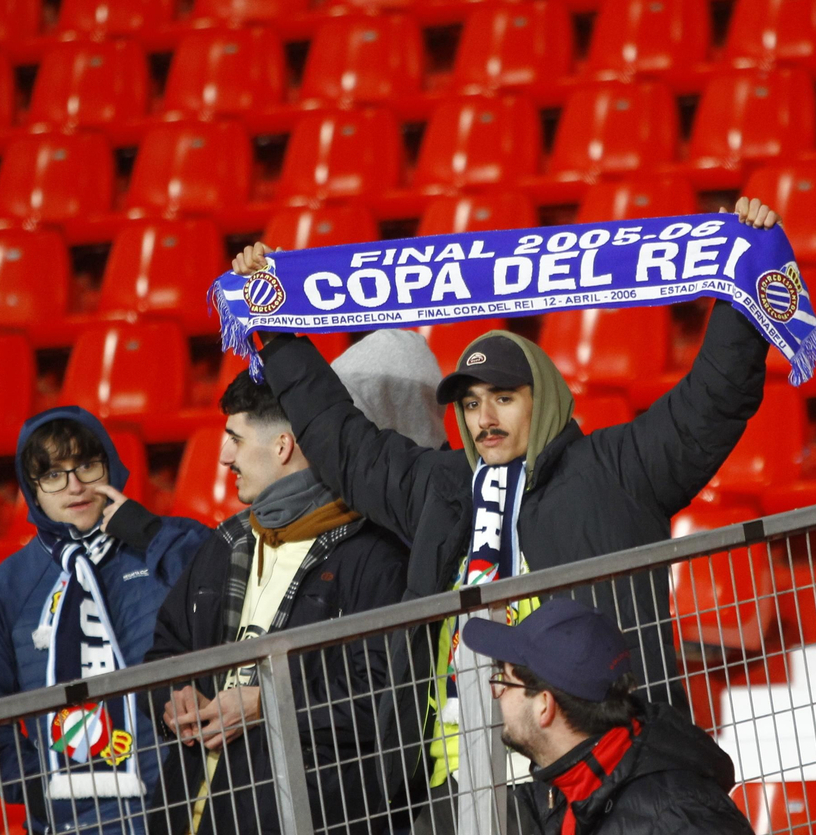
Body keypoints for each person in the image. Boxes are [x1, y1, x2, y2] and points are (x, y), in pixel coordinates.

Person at [228, 196, 779, 830]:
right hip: (450, 795)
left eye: (504, 399)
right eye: (469, 405)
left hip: (597, 784)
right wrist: (275, 328)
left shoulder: (617, 469)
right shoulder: (440, 485)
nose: (483, 420)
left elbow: (714, 400)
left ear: (540, 396)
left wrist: (746, 273)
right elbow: (343, 442)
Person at [144, 335, 427, 835]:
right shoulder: (224, 543)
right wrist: (175, 692)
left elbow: (383, 696)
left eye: (235, 437)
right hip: (190, 811)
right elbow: (166, 646)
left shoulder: (375, 556)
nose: (223, 456)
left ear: (282, 445)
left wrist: (267, 704)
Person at [0, 408, 209, 835]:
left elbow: (222, 591)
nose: (74, 486)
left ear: (109, 465)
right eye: (53, 475)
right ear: (32, 491)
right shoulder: (7, 588)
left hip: (188, 804)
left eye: (87, 466)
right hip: (71, 820)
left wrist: (146, 533)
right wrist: (36, 784)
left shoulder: (165, 542)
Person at [461, 600, 752, 835]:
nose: (496, 692)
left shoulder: (680, 818)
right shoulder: (567, 785)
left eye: (504, 681)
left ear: (544, 706)